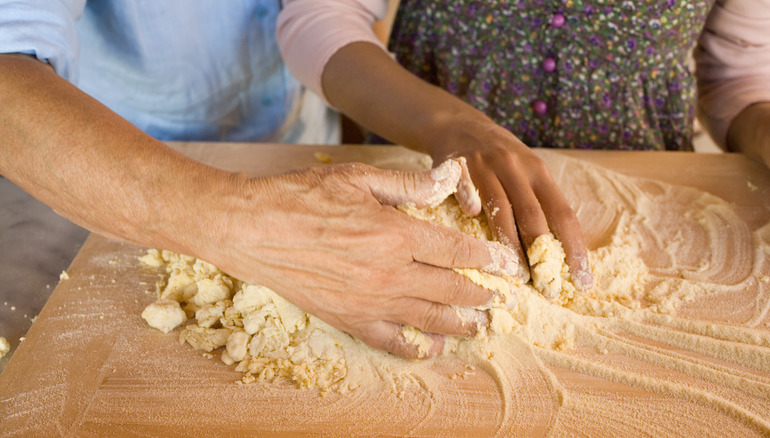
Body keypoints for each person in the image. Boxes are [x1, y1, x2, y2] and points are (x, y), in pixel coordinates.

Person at [0, 1, 522, 359]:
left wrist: (446, 122)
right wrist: (246, 222)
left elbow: (319, 14)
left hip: (290, 143)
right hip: (95, 164)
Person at [277, 0, 770, 293]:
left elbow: (739, 72)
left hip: (649, 225)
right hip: (431, 188)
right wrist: (450, 127)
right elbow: (320, 18)